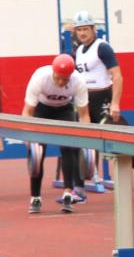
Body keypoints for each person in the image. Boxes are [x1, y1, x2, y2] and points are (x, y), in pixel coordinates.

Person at [69, 11, 134, 199]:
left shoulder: (103, 48)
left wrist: (115, 103)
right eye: (79, 30)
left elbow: (117, 75)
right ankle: (78, 189)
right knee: (80, 142)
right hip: (85, 102)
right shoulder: (77, 51)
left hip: (103, 99)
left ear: (93, 29)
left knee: (116, 145)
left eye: (85, 29)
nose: (82, 33)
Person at [22, 55, 91, 213]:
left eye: (65, 79)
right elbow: (28, 111)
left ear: (71, 75)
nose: (61, 82)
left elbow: (84, 115)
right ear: (53, 72)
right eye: (58, 78)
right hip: (41, 110)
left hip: (64, 111)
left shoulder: (78, 82)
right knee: (37, 152)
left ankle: (68, 192)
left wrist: (87, 137)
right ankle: (35, 197)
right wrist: (28, 136)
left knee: (69, 147)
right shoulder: (40, 77)